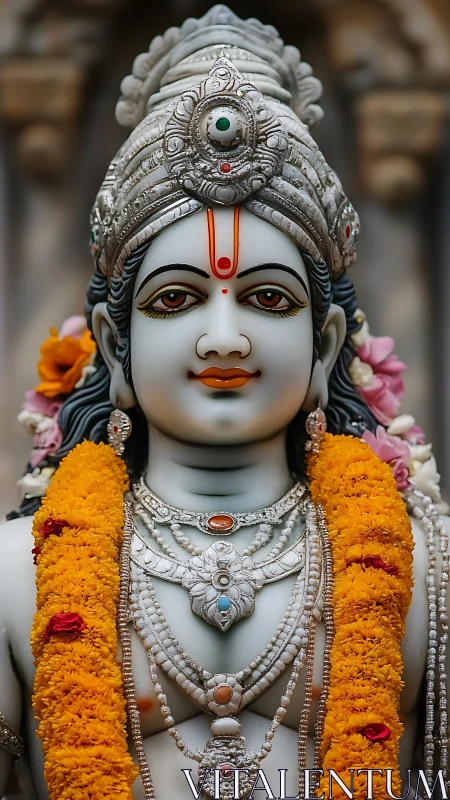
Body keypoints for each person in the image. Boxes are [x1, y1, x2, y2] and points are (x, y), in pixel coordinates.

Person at [0, 7, 447, 800]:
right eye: (176, 300)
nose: (224, 339)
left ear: (326, 339)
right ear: (113, 344)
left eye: (268, 300)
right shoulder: (14, 576)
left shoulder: (426, 575)